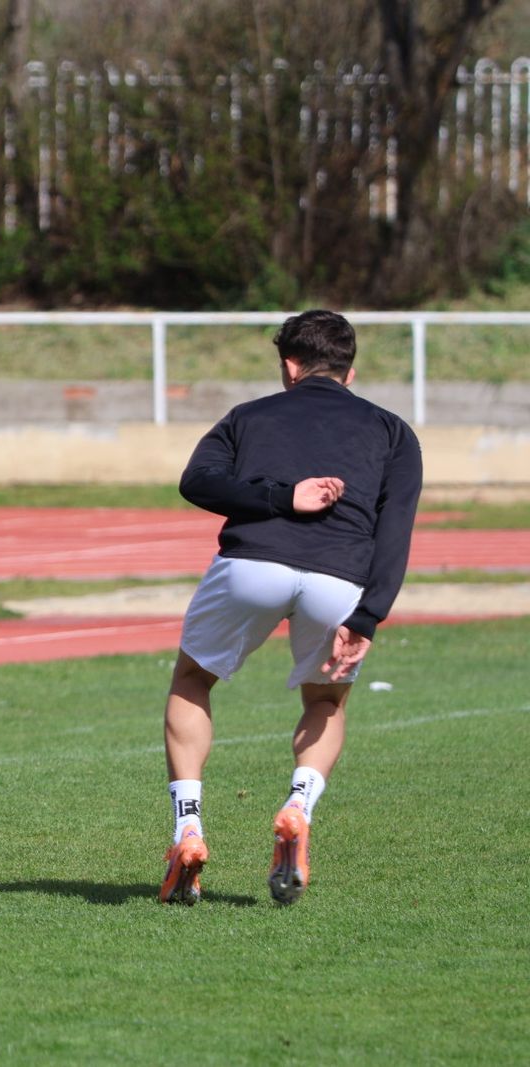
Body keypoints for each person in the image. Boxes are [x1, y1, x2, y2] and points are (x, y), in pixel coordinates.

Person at [158, 309, 422, 905]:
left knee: (193, 680)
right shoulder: (393, 431)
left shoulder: (247, 416)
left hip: (252, 565)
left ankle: (189, 828)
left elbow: (196, 482)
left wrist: (279, 496)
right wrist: (369, 616)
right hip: (342, 580)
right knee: (326, 699)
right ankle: (299, 803)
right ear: (350, 372)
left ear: (288, 365)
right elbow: (395, 530)